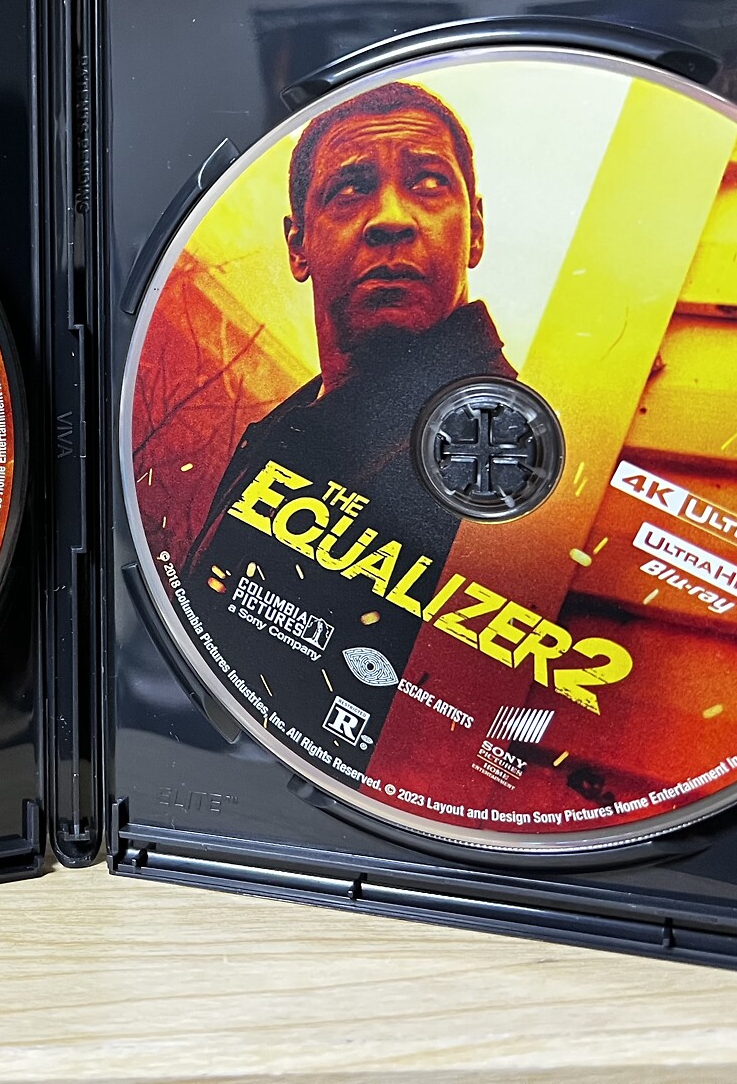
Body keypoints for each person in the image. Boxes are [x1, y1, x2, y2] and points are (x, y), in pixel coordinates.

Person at [185, 82, 513, 697]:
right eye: (349, 189)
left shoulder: (496, 456)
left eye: (429, 183)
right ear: (298, 245)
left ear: (475, 232)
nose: (391, 219)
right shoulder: (290, 424)